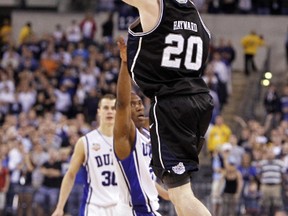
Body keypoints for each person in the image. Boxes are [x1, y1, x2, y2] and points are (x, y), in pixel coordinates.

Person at [121, 1, 213, 215]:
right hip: (198, 98)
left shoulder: (156, 6)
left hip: (173, 103)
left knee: (180, 192)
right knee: (176, 188)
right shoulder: (194, 14)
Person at [113, 37, 168, 215]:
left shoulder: (145, 131)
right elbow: (121, 103)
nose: (138, 106)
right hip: (134, 210)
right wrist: (126, 64)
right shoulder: (125, 136)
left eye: (139, 103)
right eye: (133, 104)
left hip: (149, 208)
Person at [51, 94, 118, 216]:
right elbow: (70, 174)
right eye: (106, 108)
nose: (110, 111)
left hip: (121, 206)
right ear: (99, 111)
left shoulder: (126, 141)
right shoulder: (85, 141)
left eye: (113, 108)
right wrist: (60, 207)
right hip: (94, 207)